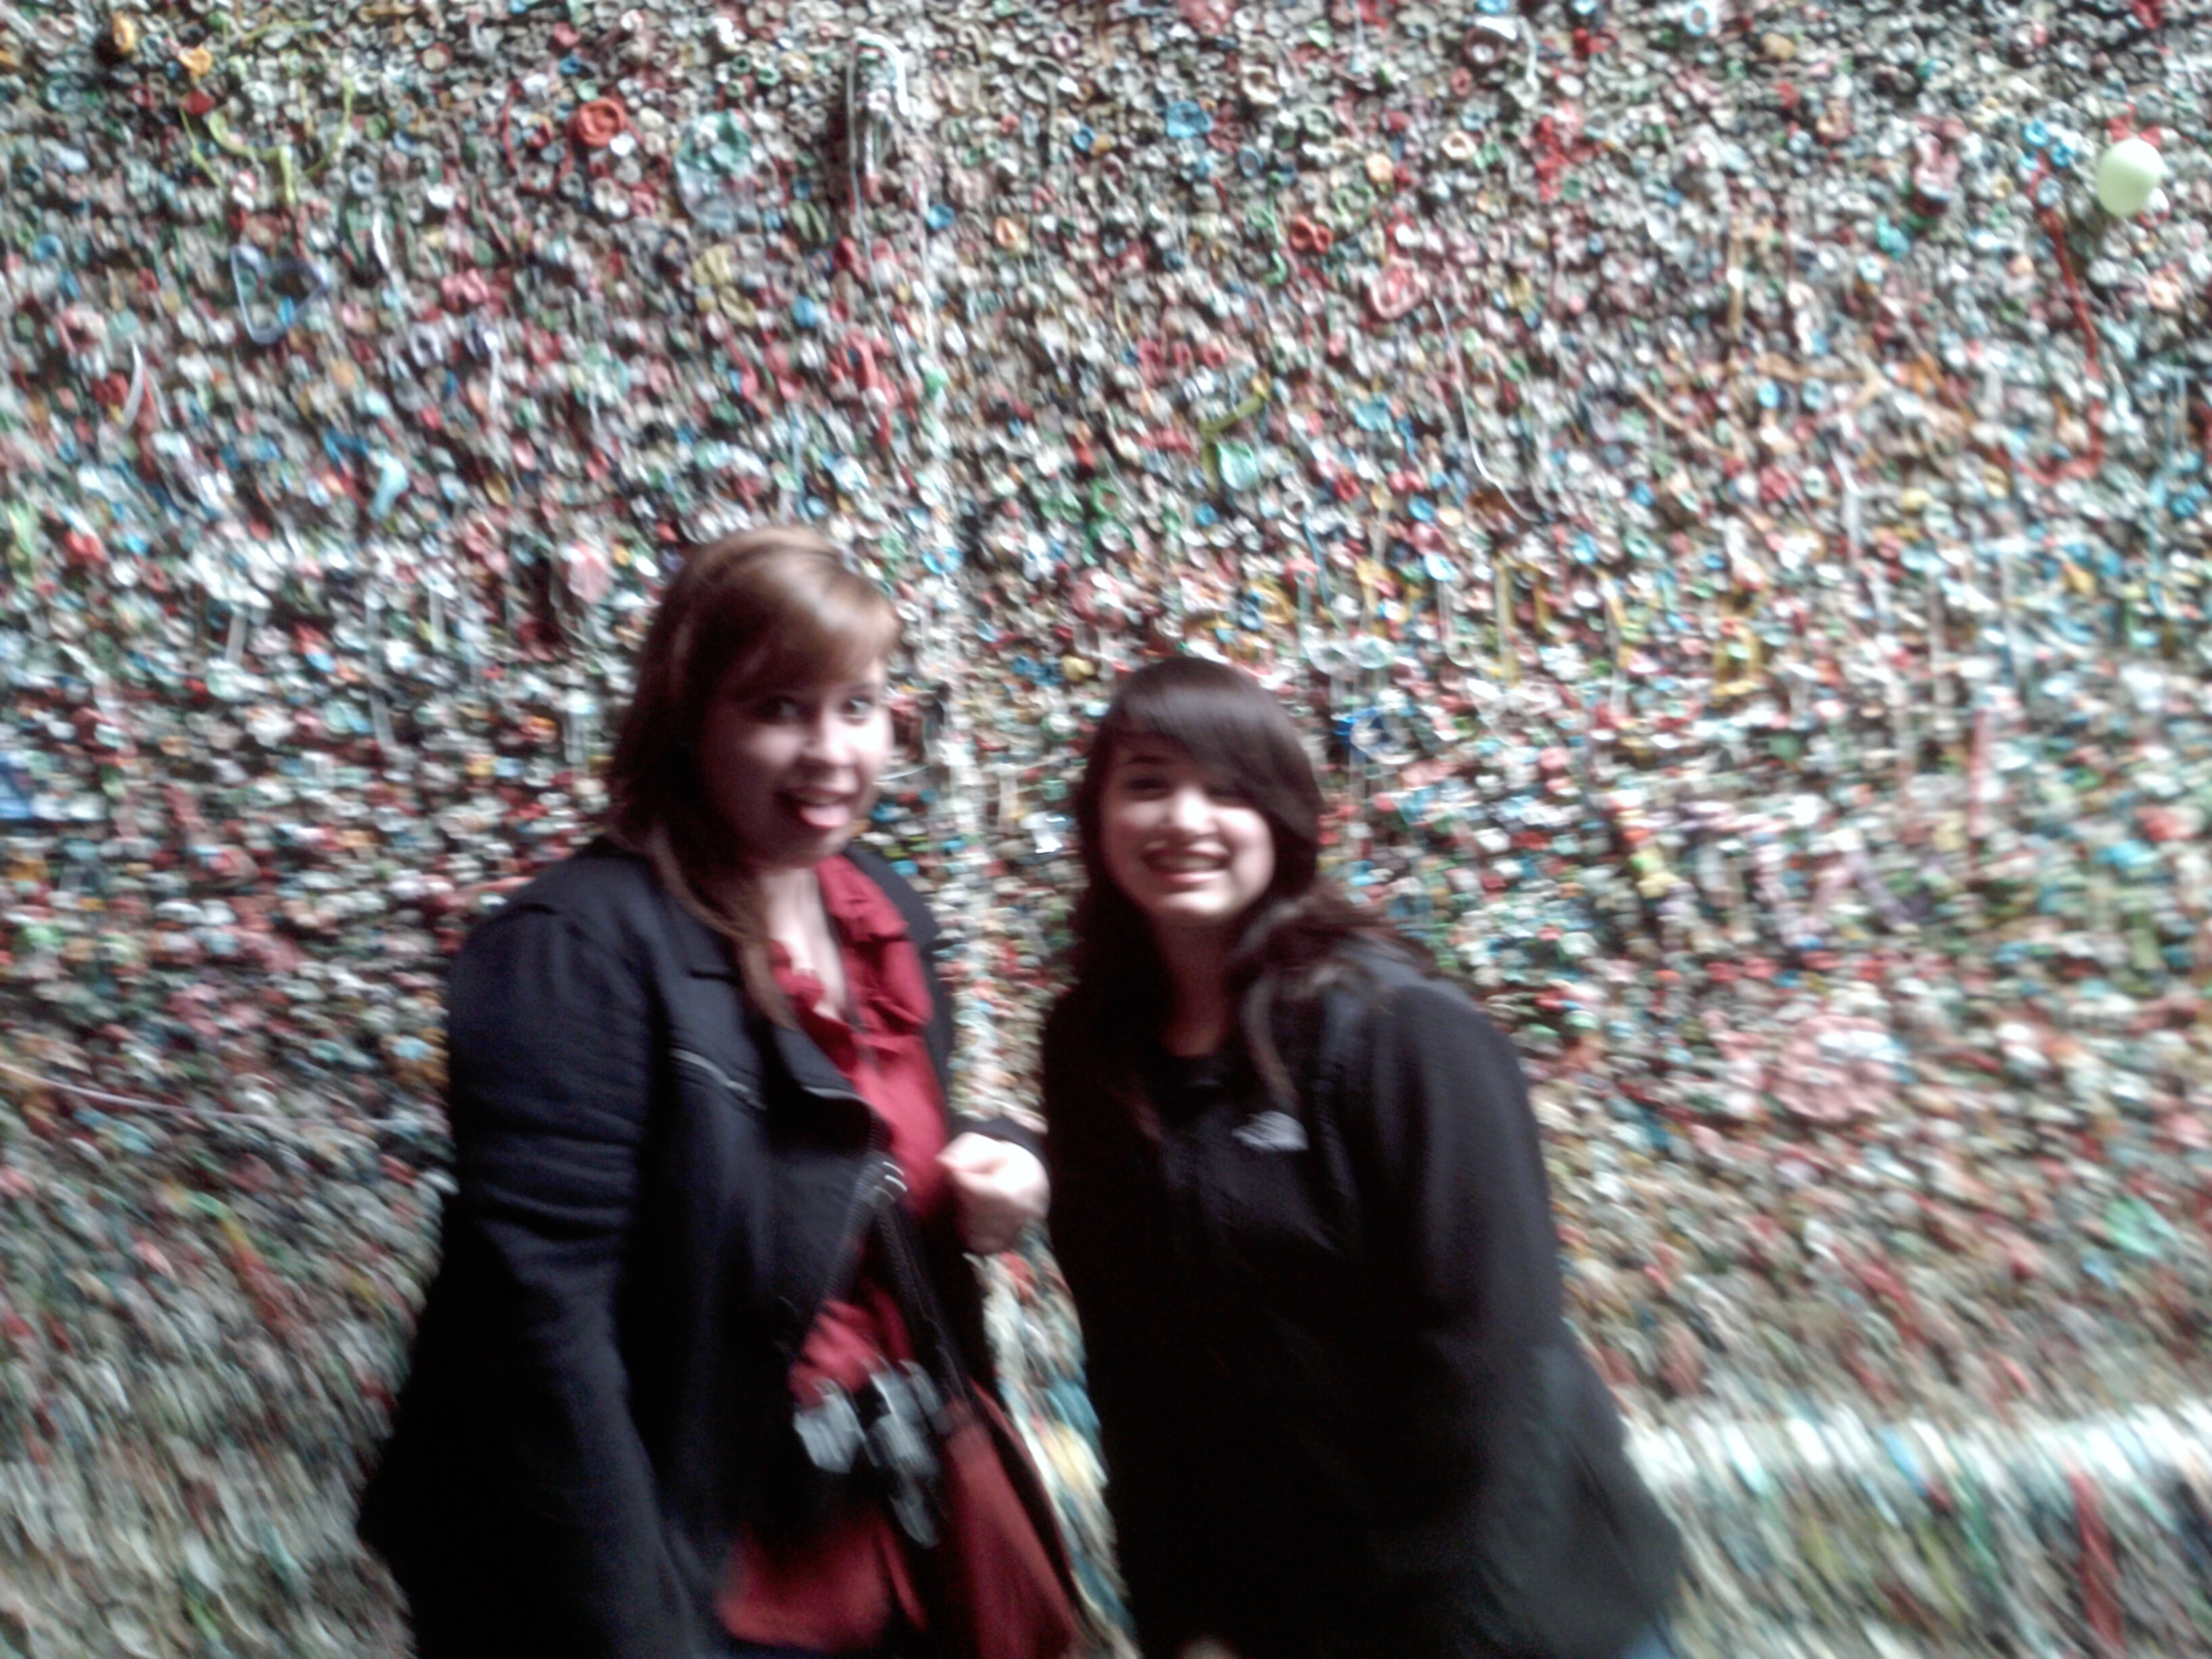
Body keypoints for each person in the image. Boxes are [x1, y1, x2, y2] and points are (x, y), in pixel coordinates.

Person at [359, 527, 1055, 1659]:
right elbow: (539, 1339)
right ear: (687, 721)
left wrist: (1009, 1155)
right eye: (779, 709)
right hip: (696, 1582)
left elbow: (854, 1144)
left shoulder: (879, 910)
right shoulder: (573, 951)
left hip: (886, 1553)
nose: (832, 752)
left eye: (858, 706)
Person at [1040, 657, 1681, 1659]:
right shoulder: (1091, 1054)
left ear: (1283, 818)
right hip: (1282, 1618)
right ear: (1098, 816)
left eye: (1227, 790)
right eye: (1149, 783)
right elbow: (1130, 1371)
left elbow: (1495, 1375)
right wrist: (1178, 1620)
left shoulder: (1399, 1033)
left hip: (1514, 1616)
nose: (1186, 820)